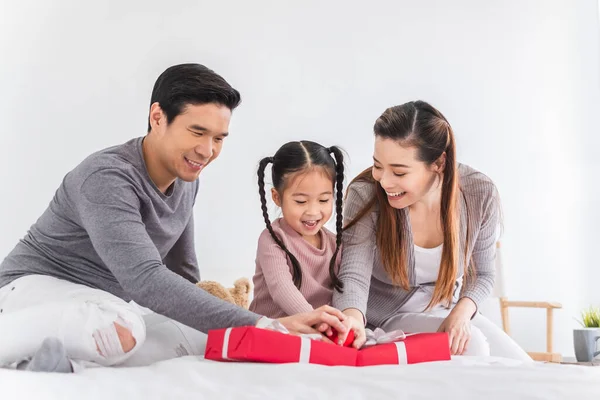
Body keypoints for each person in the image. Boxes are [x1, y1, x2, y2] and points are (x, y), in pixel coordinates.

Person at [0, 63, 347, 372]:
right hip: (28, 289)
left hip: (93, 305)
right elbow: (146, 280)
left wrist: (229, 319)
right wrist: (264, 325)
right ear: (157, 117)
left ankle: (61, 362)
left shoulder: (185, 181)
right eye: (197, 132)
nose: (207, 151)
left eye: (218, 138)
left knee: (196, 337)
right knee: (124, 326)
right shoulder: (106, 178)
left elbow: (182, 275)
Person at [333, 100, 530, 360]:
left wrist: (461, 314)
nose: (384, 181)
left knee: (519, 364)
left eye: (399, 172)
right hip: (388, 316)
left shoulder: (479, 193)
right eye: (378, 166)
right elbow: (353, 274)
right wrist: (352, 320)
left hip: (449, 308)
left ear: (438, 163)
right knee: (474, 347)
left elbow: (482, 274)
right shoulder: (366, 194)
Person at [249, 141, 344, 318]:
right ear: (277, 197)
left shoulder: (335, 243)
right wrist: (315, 320)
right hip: (274, 331)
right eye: (301, 201)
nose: (313, 211)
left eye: (323, 200)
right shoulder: (273, 239)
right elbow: (282, 290)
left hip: (317, 331)